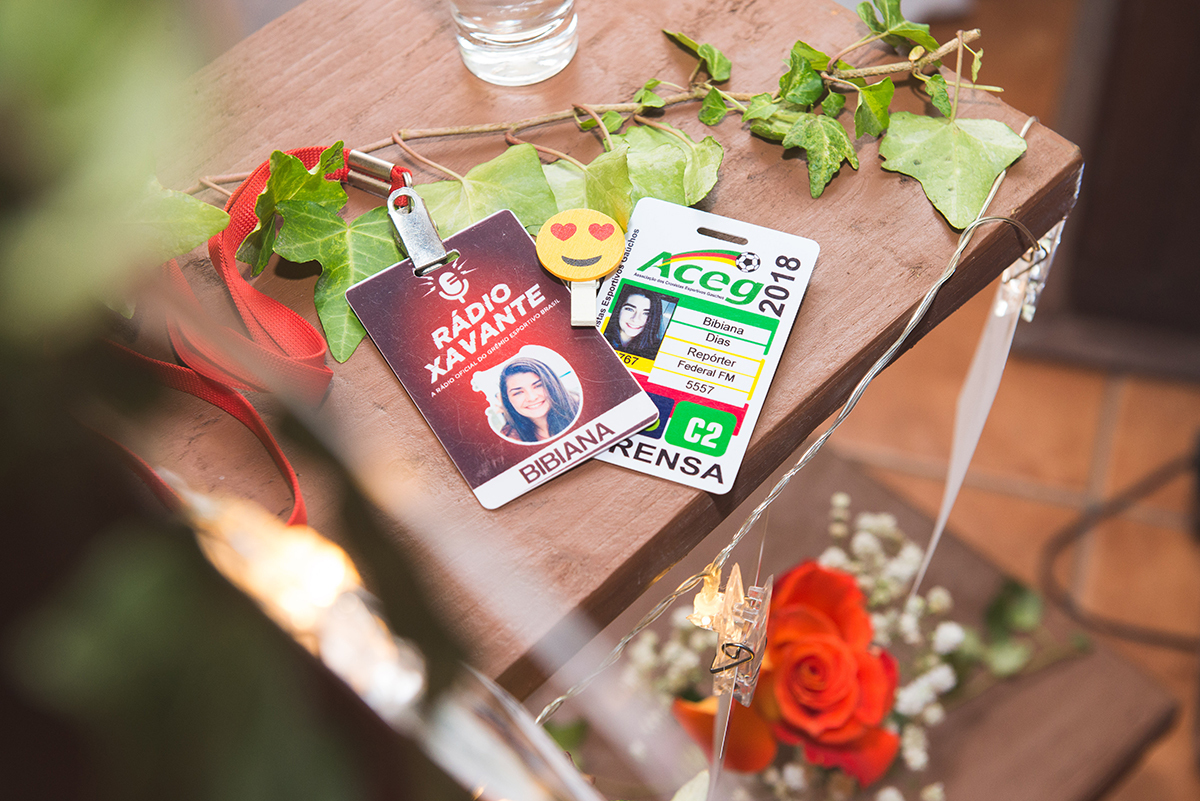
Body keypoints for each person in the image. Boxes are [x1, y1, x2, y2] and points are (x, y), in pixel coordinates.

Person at [498, 357, 581, 443]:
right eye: (518, 392)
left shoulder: (584, 409)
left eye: (538, 386)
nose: (532, 398)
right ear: (508, 400)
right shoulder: (509, 439)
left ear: (553, 385)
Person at [604, 288, 665, 358]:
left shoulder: (657, 351)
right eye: (630, 309)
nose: (635, 319)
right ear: (618, 309)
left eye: (646, 313)